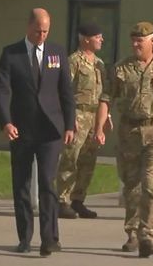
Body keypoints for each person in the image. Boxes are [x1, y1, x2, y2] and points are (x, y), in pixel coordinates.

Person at [94, 22, 153, 258]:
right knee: (132, 187)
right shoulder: (121, 69)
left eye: (139, 41)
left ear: (152, 41)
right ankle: (132, 232)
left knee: (152, 185)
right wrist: (99, 127)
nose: (135, 44)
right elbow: (105, 98)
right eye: (132, 40)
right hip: (129, 134)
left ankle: (147, 234)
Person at [0, 8, 75, 257]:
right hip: (21, 129)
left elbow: (66, 92)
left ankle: (49, 239)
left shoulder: (57, 53)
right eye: (38, 30)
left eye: (46, 31)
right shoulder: (11, 53)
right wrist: (6, 122)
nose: (42, 35)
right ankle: (25, 237)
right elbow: (2, 89)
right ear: (28, 27)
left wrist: (70, 125)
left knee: (48, 183)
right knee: (21, 185)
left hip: (51, 130)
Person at [56, 23, 107, 219]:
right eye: (97, 37)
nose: (101, 40)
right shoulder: (74, 61)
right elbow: (63, 90)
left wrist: (105, 118)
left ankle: (78, 200)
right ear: (86, 39)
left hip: (95, 117)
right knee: (71, 158)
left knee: (88, 161)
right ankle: (61, 200)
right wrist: (69, 118)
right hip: (78, 114)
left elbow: (103, 94)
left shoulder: (99, 64)